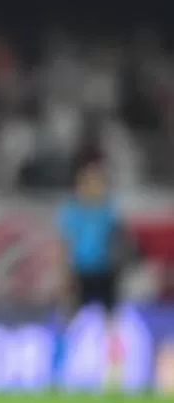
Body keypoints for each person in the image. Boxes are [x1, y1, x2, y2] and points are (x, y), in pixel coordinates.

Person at [56, 156, 130, 389]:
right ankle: (61, 370)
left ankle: (115, 374)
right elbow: (66, 246)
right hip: (81, 273)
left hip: (106, 273)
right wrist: (65, 275)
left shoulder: (109, 211)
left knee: (113, 324)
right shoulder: (73, 211)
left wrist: (119, 268)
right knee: (69, 321)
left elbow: (118, 242)